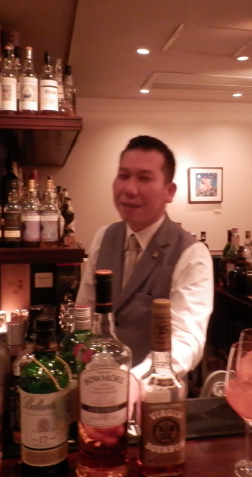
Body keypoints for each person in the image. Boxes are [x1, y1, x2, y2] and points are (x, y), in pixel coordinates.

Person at [75, 135, 214, 379]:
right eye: (123, 176)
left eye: (144, 178)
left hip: (152, 390)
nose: (130, 189)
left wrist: (135, 380)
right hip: (96, 379)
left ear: (169, 191)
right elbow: (84, 310)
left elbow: (186, 338)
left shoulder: (192, 254)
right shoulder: (103, 237)